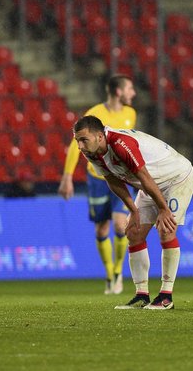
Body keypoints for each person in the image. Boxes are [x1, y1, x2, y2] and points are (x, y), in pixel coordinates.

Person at [72, 116, 193, 310]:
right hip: (150, 185)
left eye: (83, 140)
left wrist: (163, 209)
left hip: (176, 178)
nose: (80, 146)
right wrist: (133, 210)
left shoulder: (120, 144)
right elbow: (112, 180)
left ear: (99, 136)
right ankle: (141, 295)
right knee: (133, 233)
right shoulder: (92, 151)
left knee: (165, 229)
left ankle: (165, 296)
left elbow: (143, 175)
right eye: (77, 140)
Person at [58, 75, 138, 295]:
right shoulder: (95, 114)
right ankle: (109, 272)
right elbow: (77, 145)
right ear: (118, 92)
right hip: (98, 178)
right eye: (130, 88)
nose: (133, 93)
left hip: (121, 176)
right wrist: (67, 177)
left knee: (121, 225)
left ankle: (119, 272)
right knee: (101, 228)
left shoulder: (131, 114)